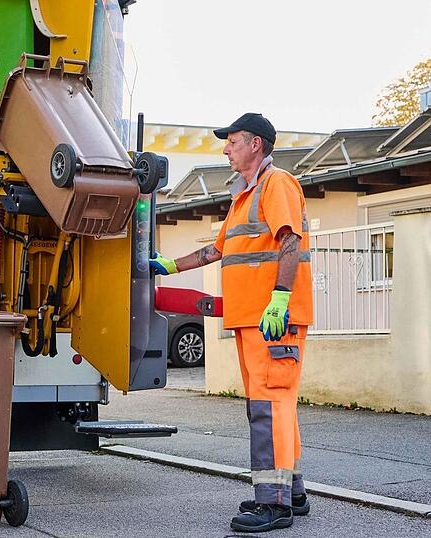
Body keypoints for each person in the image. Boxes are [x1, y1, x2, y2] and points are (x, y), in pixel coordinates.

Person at [150, 113, 312, 533]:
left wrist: (280, 298)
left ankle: (273, 504)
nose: (225, 149)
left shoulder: (278, 184)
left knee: (268, 406)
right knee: (276, 404)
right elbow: (214, 251)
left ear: (255, 144)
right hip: (251, 320)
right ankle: (291, 492)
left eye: (232, 141)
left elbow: (290, 241)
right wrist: (169, 265)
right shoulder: (244, 197)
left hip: (272, 319)